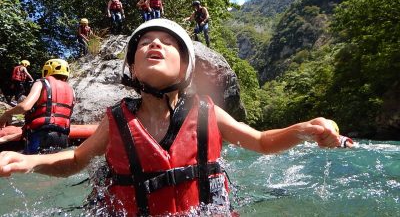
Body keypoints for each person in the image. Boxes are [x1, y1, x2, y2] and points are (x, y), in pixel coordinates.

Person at [0, 19, 345, 216]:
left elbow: (260, 141)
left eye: (167, 43)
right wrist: (29, 163)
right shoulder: (116, 120)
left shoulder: (208, 112)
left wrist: (301, 129)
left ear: (185, 66)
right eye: (145, 42)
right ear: (132, 67)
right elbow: (76, 158)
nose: (155, 44)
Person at [0, 59, 75, 154]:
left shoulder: (42, 83)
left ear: (47, 69)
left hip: (40, 135)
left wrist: (7, 114)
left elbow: (25, 107)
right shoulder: (71, 90)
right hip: (63, 137)